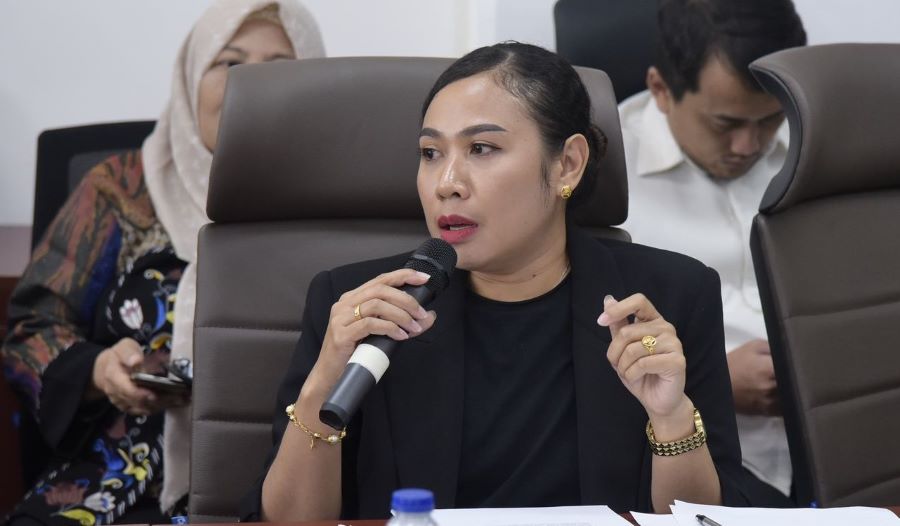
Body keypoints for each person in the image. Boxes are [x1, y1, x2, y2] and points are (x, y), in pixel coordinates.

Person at [243, 42, 751, 521]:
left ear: (567, 164)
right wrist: (323, 384)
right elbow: (286, 521)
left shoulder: (671, 299)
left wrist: (671, 418)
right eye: (430, 153)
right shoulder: (358, 307)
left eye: (482, 148)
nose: (447, 184)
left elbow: (711, 517)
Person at [1, 2, 324, 523]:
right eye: (230, 63)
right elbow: (33, 326)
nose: (251, 85)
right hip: (116, 482)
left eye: (280, 68)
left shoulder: (338, 201)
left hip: (293, 482)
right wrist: (99, 371)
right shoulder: (119, 189)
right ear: (192, 77)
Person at [619, 0, 807, 501]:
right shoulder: (601, 174)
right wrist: (713, 378)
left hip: (831, 453)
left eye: (772, 119)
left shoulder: (820, 152)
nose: (749, 146)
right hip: (681, 466)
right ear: (661, 89)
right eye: (726, 124)